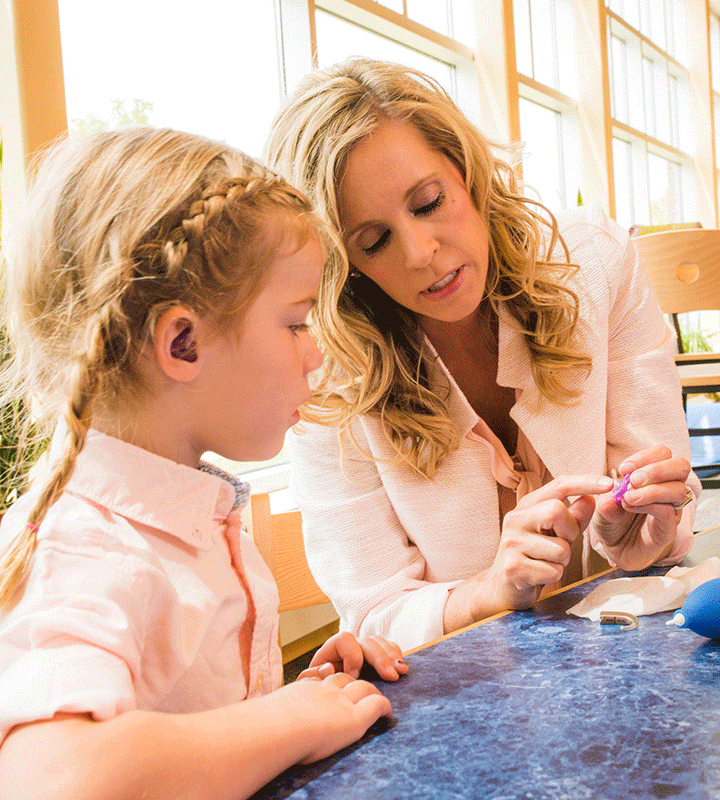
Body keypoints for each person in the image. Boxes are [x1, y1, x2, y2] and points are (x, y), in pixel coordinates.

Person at [0, 127, 407, 800]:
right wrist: (283, 724)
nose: (315, 353)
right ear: (184, 342)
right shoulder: (84, 550)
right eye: (293, 323)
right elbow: (56, 779)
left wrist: (299, 704)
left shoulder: (186, 520)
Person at [264, 57, 699, 651]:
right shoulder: (328, 382)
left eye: (427, 202)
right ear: (345, 266)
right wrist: (488, 591)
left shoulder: (593, 266)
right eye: (374, 240)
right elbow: (372, 611)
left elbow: (666, 496)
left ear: (467, 171)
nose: (421, 252)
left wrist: (639, 536)